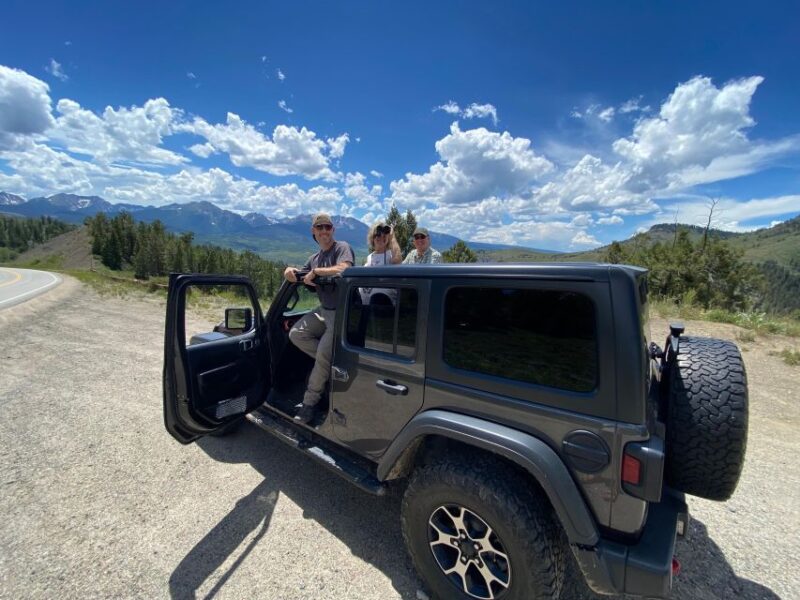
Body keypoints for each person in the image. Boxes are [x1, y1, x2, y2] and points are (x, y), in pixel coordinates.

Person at [283, 213, 355, 424]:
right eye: (320, 227)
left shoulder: (342, 248)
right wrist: (289, 271)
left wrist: (317, 272)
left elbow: (345, 268)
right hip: (324, 310)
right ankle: (332, 364)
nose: (324, 231)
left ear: (333, 230)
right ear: (313, 231)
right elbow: (300, 273)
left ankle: (309, 404)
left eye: (328, 227)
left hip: (342, 313)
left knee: (322, 357)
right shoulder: (314, 258)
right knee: (297, 333)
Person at [360, 221, 401, 306]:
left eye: (384, 235)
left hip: (383, 306)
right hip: (366, 306)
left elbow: (397, 261)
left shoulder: (390, 255)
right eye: (378, 235)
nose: (381, 237)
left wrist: (392, 237)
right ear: (372, 238)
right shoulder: (369, 257)